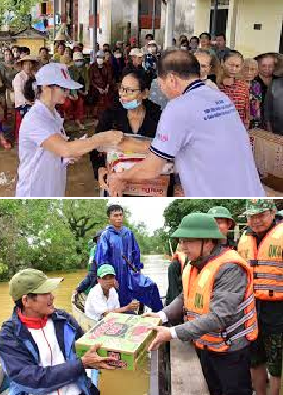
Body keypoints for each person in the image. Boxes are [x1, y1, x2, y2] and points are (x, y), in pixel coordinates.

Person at [108, 49, 264, 197]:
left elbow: (151, 168)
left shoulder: (178, 107)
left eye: (160, 83)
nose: (162, 89)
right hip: (250, 191)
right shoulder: (220, 97)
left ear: (171, 79)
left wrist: (120, 177)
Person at [145, 212, 258, 395]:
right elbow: (185, 297)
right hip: (206, 345)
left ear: (208, 241)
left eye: (188, 241)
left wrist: (172, 332)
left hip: (230, 351)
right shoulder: (194, 264)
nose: (182, 247)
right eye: (181, 241)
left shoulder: (230, 267)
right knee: (214, 390)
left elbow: (219, 317)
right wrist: (161, 315)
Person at [0, 269, 114, 395]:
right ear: (26, 301)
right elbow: (31, 380)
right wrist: (81, 364)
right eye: (45, 293)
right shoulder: (8, 338)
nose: (52, 296)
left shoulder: (63, 319)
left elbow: (84, 345)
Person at [15, 63, 122, 197]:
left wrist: (68, 156)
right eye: (63, 88)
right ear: (46, 87)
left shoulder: (54, 115)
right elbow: (65, 148)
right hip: (35, 189)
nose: (67, 93)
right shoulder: (35, 119)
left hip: (51, 185)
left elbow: (55, 151)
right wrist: (104, 137)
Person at [237, 199, 283, 395]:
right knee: (254, 359)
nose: (256, 221)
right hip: (250, 308)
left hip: (277, 309)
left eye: (261, 215)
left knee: (275, 361)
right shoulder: (243, 239)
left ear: (273, 213)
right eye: (251, 216)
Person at [90, 70, 163, 185]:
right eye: (122, 89)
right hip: (117, 181)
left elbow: (165, 149)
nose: (123, 94)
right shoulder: (110, 114)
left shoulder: (158, 116)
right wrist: (100, 169)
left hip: (150, 182)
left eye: (130, 91)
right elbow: (95, 146)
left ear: (144, 94)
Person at [93, 204, 163, 311]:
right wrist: (110, 278)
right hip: (114, 275)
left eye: (120, 215)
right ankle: (124, 315)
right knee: (119, 299)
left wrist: (137, 271)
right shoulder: (105, 236)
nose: (119, 218)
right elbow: (102, 259)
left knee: (151, 286)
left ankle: (160, 315)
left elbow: (136, 253)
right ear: (109, 218)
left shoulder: (129, 233)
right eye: (115, 215)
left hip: (130, 274)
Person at [219, 51, 250, 125]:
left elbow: (246, 112)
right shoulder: (213, 87)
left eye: (237, 66)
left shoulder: (243, 87)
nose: (233, 69)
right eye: (230, 65)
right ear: (222, 63)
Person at [64, 52, 90, 130]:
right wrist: (72, 94)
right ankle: (68, 120)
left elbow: (87, 81)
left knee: (80, 102)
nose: (79, 62)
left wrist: (86, 90)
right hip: (70, 91)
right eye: (77, 60)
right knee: (68, 104)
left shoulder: (84, 69)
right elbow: (70, 83)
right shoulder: (70, 70)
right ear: (74, 61)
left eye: (80, 60)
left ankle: (78, 120)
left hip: (80, 91)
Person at [76, 229, 105, 295]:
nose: (100, 243)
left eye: (102, 240)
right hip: (98, 289)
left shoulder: (115, 256)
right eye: (98, 240)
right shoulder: (96, 257)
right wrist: (79, 289)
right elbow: (91, 275)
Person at [255, 53, 279, 123]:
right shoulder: (252, 81)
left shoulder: (279, 81)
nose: (267, 69)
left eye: (270, 66)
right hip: (257, 120)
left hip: (276, 120)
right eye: (263, 66)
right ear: (258, 65)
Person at [88, 52, 113, 117]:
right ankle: (95, 112)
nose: (100, 59)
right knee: (96, 96)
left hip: (106, 87)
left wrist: (107, 87)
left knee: (109, 96)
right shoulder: (92, 66)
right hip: (95, 87)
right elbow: (91, 80)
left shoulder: (107, 66)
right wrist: (98, 88)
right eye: (99, 57)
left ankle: (107, 112)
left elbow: (109, 78)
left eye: (102, 57)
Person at [243, 58, 264, 128]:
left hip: (253, 118)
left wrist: (257, 116)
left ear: (256, 72)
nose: (249, 72)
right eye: (246, 68)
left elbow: (257, 103)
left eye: (252, 69)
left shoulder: (257, 85)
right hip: (240, 118)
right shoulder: (237, 84)